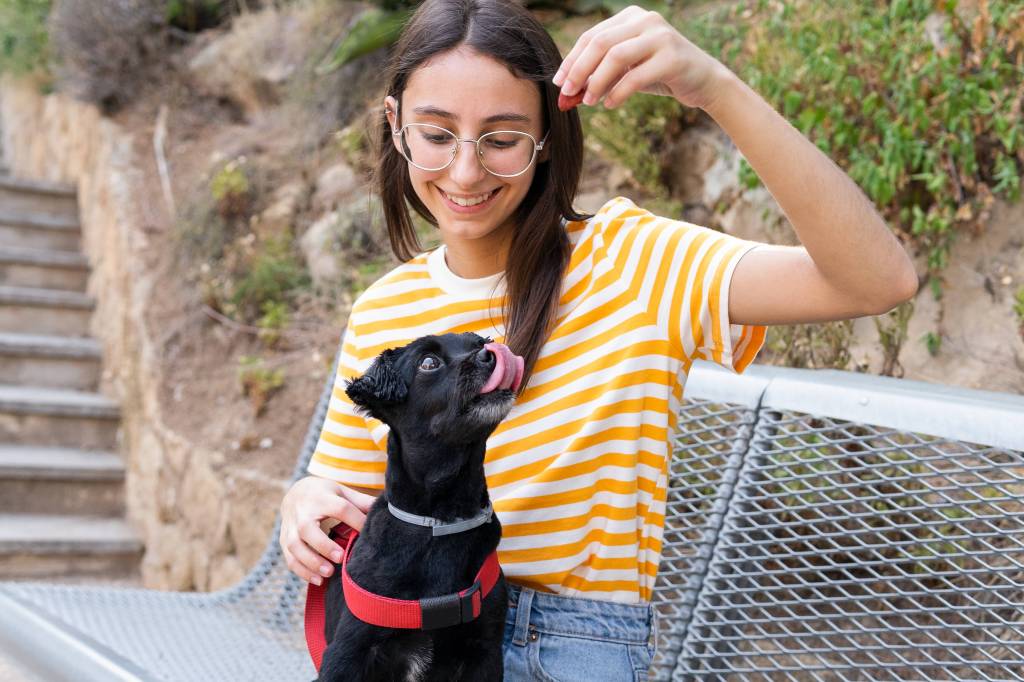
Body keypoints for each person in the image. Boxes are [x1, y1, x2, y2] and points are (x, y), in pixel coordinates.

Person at [279, 0, 918, 678]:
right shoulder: (385, 309)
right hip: (412, 641)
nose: (465, 173)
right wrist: (305, 501)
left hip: (570, 649)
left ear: (548, 138)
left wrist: (715, 89)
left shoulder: (632, 262)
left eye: (501, 139)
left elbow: (875, 281)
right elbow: (350, 502)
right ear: (396, 128)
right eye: (437, 134)